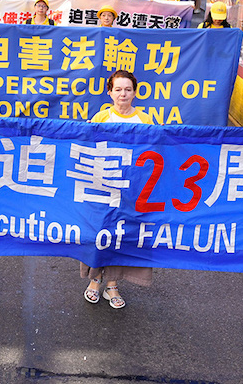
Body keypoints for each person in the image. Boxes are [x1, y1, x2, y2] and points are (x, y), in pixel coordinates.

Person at [83, 70, 153, 308]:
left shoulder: (145, 121)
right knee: (98, 233)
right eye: (118, 89)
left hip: (130, 190)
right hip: (101, 186)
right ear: (109, 92)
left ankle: (112, 284)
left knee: (121, 235)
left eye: (128, 89)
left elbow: (155, 153)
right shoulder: (100, 118)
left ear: (135, 92)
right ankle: (94, 280)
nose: (123, 94)